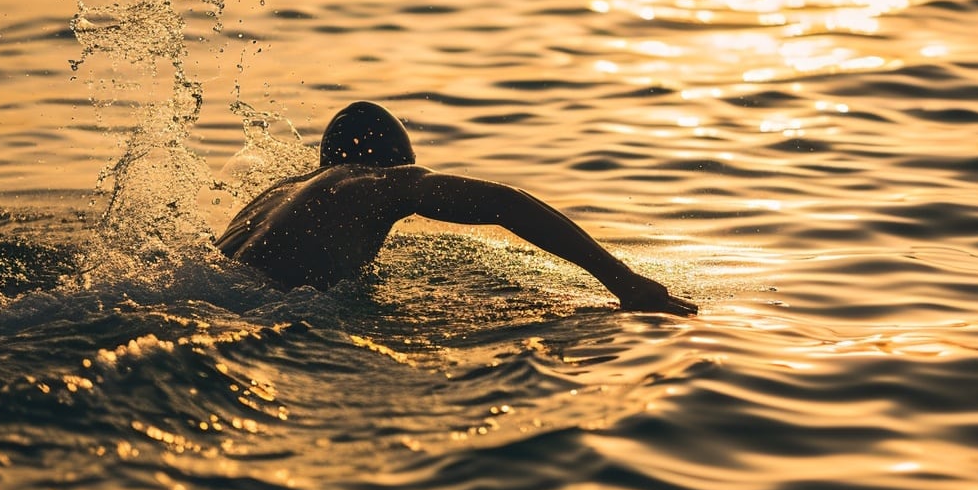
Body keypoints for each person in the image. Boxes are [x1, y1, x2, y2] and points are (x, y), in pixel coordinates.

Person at [215, 101, 697, 315]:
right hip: (271, 311)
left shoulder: (277, 193)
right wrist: (623, 281)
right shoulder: (385, 181)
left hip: (213, 293)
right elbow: (505, 203)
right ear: (401, 163)